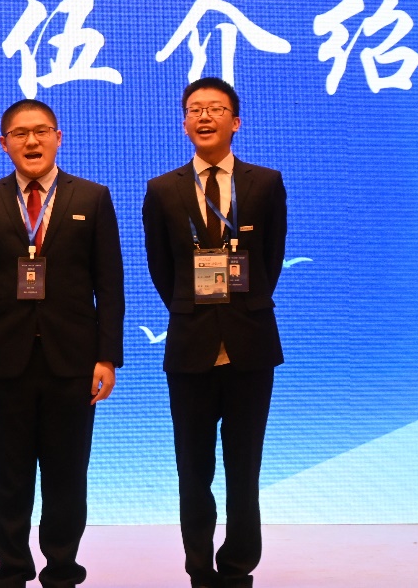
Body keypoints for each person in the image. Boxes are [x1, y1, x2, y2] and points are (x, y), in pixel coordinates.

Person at [0, 99, 125, 588]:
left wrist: (107, 356)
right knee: (5, 476)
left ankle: (62, 568)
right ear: (3, 143)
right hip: (1, 361)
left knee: (67, 474)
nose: (32, 141)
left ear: (58, 137)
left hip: (72, 361)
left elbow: (109, 283)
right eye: (20, 133)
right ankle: (12, 568)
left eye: (42, 131)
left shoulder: (92, 197)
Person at [141, 77, 287, 588]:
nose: (204, 117)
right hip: (191, 345)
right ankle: (200, 567)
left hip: (251, 343)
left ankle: (239, 565)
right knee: (193, 469)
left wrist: (238, 307)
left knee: (245, 468)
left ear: (235, 121)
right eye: (195, 109)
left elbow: (270, 261)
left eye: (216, 108)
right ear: (185, 123)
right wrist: (195, 309)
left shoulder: (265, 183)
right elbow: (161, 269)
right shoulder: (163, 189)